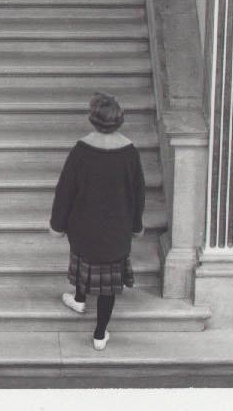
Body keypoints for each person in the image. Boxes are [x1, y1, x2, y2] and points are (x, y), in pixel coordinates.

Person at [49, 92, 146, 351]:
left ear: (93, 120)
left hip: (83, 227)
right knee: (108, 286)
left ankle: (79, 299)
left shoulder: (81, 150)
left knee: (83, 263)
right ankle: (100, 334)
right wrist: (136, 225)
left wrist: (57, 224)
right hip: (116, 230)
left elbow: (65, 190)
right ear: (119, 121)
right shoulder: (130, 152)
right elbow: (138, 194)